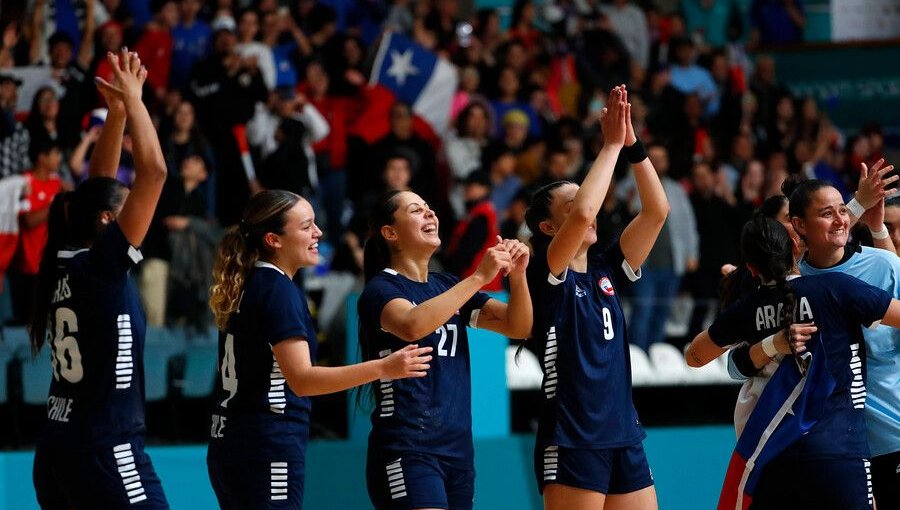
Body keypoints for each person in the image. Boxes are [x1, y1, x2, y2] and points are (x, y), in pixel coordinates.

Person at [206, 190, 432, 509]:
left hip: (233, 442)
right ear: (274, 239)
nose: (318, 233)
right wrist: (384, 368)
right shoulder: (279, 291)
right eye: (307, 226)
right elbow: (303, 379)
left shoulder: (251, 283)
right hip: (266, 444)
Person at [30, 49, 170, 508]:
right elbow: (155, 172)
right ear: (110, 222)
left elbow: (98, 192)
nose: (137, 211)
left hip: (56, 449)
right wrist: (135, 102)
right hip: (106, 451)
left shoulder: (67, 262)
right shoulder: (101, 269)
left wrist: (114, 118)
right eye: (127, 206)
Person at [685, 215, 900, 509]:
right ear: (796, 249)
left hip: (773, 458)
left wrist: (768, 345)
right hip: (838, 450)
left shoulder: (746, 310)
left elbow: (694, 357)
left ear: (750, 267)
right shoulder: (834, 287)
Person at [524, 85, 668, 510]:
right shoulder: (546, 272)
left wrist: (632, 145)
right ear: (550, 228)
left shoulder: (606, 268)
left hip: (623, 432)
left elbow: (657, 211)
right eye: (569, 205)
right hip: (572, 436)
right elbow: (586, 212)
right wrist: (608, 145)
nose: (590, 206)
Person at [359, 189, 533, 510]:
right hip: (407, 448)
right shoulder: (381, 288)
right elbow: (412, 325)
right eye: (416, 210)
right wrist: (479, 276)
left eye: (429, 207)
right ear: (391, 232)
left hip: (457, 452)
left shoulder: (446, 285)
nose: (430, 214)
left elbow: (518, 326)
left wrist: (518, 277)